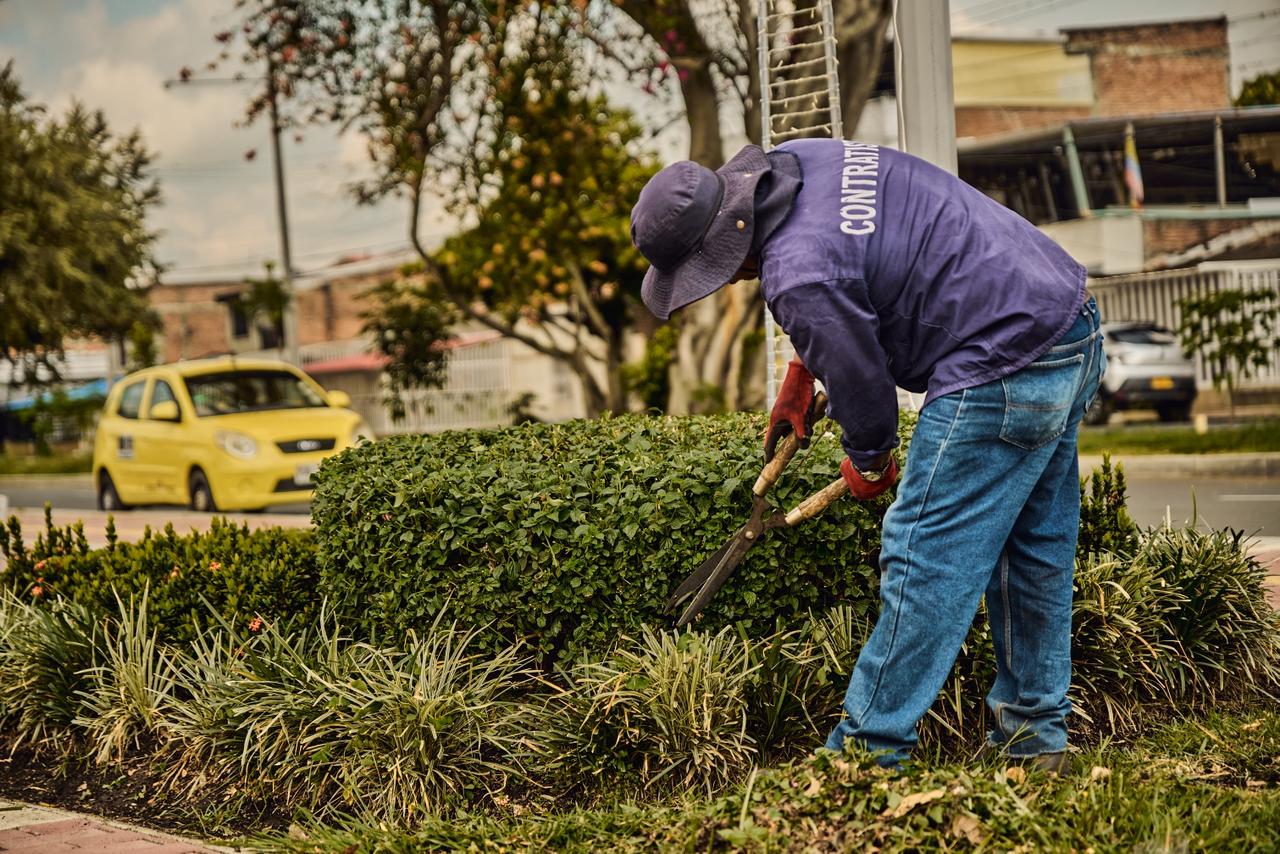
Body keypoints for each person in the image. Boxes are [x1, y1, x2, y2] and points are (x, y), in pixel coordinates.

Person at [629, 138, 1105, 771]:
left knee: (921, 553)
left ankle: (865, 754)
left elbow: (866, 395)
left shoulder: (797, 273)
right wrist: (803, 371)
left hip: (1001, 359)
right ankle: (1035, 741)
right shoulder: (801, 160)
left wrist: (871, 462)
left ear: (722, 248)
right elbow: (855, 267)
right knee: (1033, 548)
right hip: (1068, 322)